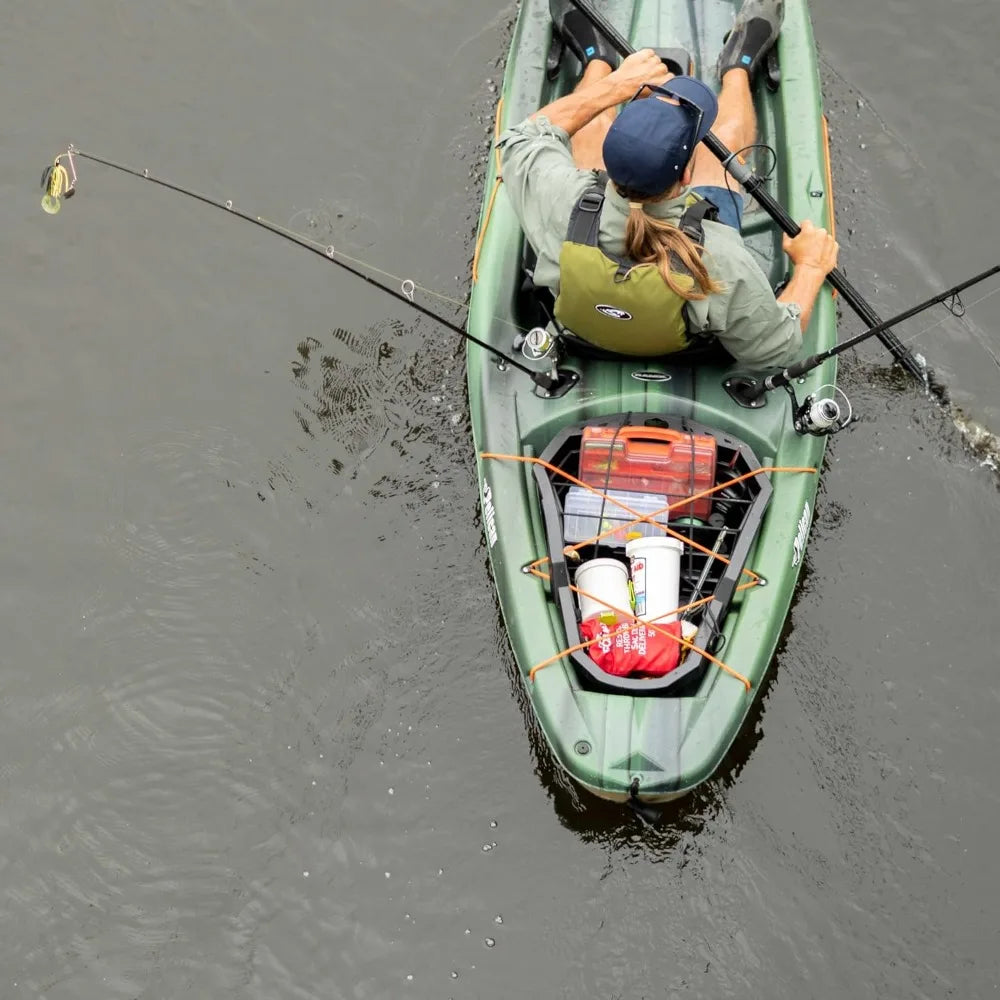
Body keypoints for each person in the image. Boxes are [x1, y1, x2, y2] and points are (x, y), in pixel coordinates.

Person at [496, 0, 840, 368]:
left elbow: (526, 137)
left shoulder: (559, 199)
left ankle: (600, 61)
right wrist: (809, 269)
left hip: (581, 331)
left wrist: (616, 87)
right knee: (723, 139)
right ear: (687, 176)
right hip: (678, 346)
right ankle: (736, 69)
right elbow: (775, 348)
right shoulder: (719, 256)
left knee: (591, 124)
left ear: (605, 165)